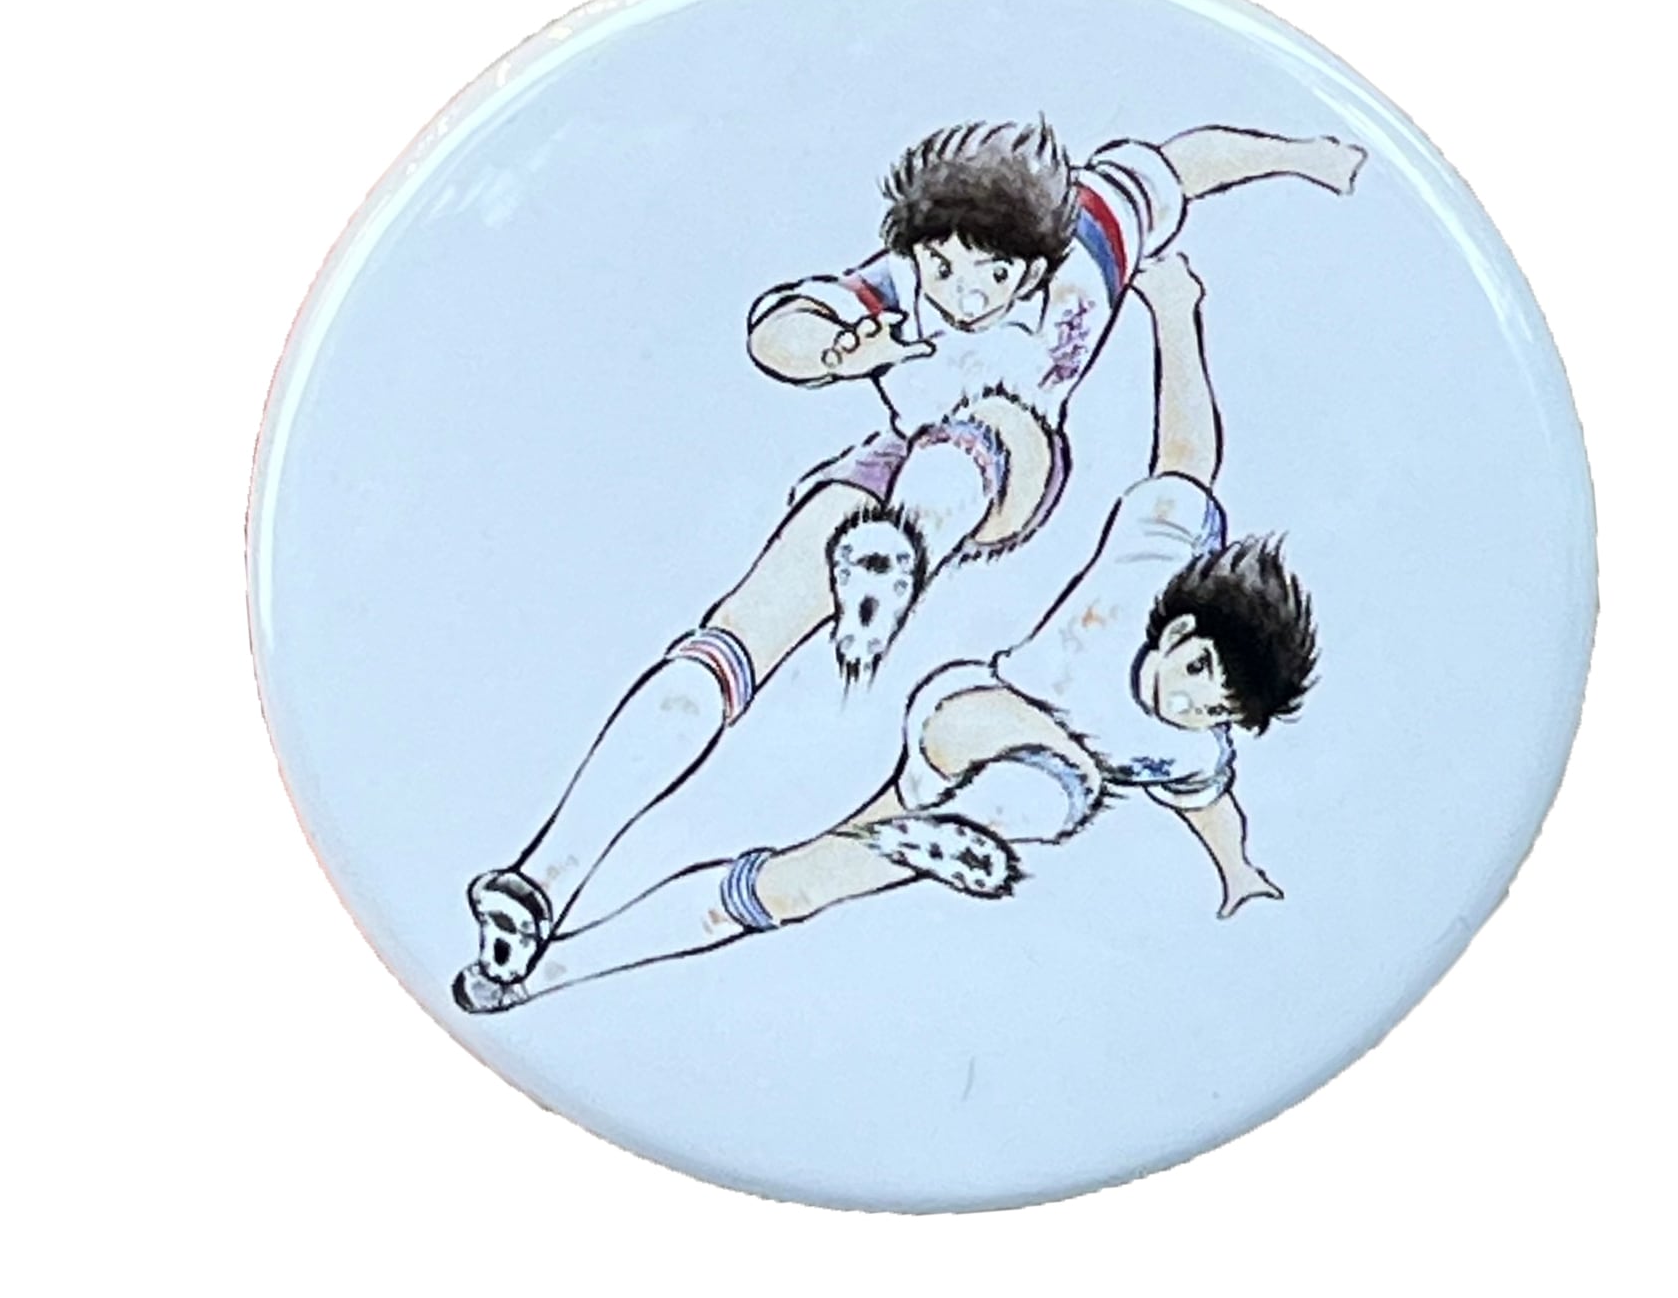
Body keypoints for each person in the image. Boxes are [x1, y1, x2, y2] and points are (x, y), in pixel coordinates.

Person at [458, 118, 1358, 1001]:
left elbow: (1187, 162)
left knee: (993, 429)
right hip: (893, 471)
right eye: (943, 268)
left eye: (995, 276)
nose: (963, 295)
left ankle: (906, 553)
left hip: (1010, 470)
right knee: (733, 641)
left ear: (1037, 266)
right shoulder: (899, 284)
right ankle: (540, 892)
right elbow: (777, 330)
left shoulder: (1089, 238)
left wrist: (1306, 157)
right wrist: (838, 353)